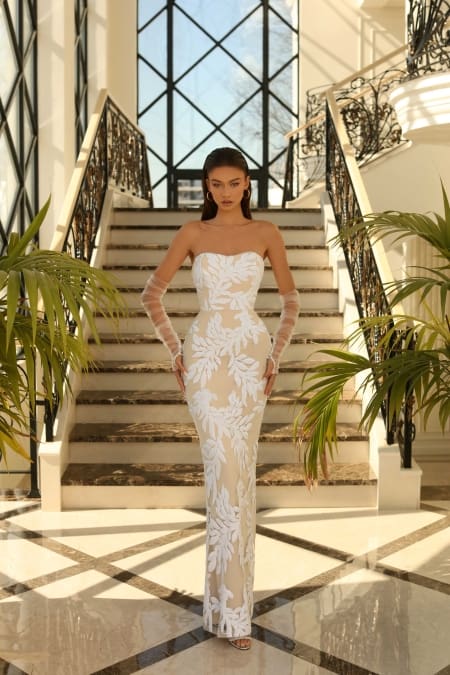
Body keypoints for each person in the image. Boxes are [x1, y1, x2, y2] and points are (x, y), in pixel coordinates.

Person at [141, 147, 300, 651]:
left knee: (240, 476)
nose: (225, 192)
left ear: (247, 184)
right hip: (207, 361)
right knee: (221, 474)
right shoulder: (193, 234)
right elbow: (151, 294)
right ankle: (226, 610)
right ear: (207, 187)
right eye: (216, 184)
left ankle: (232, 610)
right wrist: (175, 351)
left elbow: (291, 301)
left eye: (234, 183)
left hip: (250, 361)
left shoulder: (266, 233)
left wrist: (274, 355)